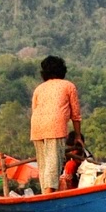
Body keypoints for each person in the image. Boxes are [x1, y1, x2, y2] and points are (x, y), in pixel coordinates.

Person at [29, 55, 81, 194]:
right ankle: (49, 194)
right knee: (53, 162)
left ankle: (46, 192)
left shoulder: (39, 88)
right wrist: (77, 135)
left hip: (37, 126)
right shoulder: (68, 86)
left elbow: (34, 109)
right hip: (55, 126)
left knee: (43, 163)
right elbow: (76, 114)